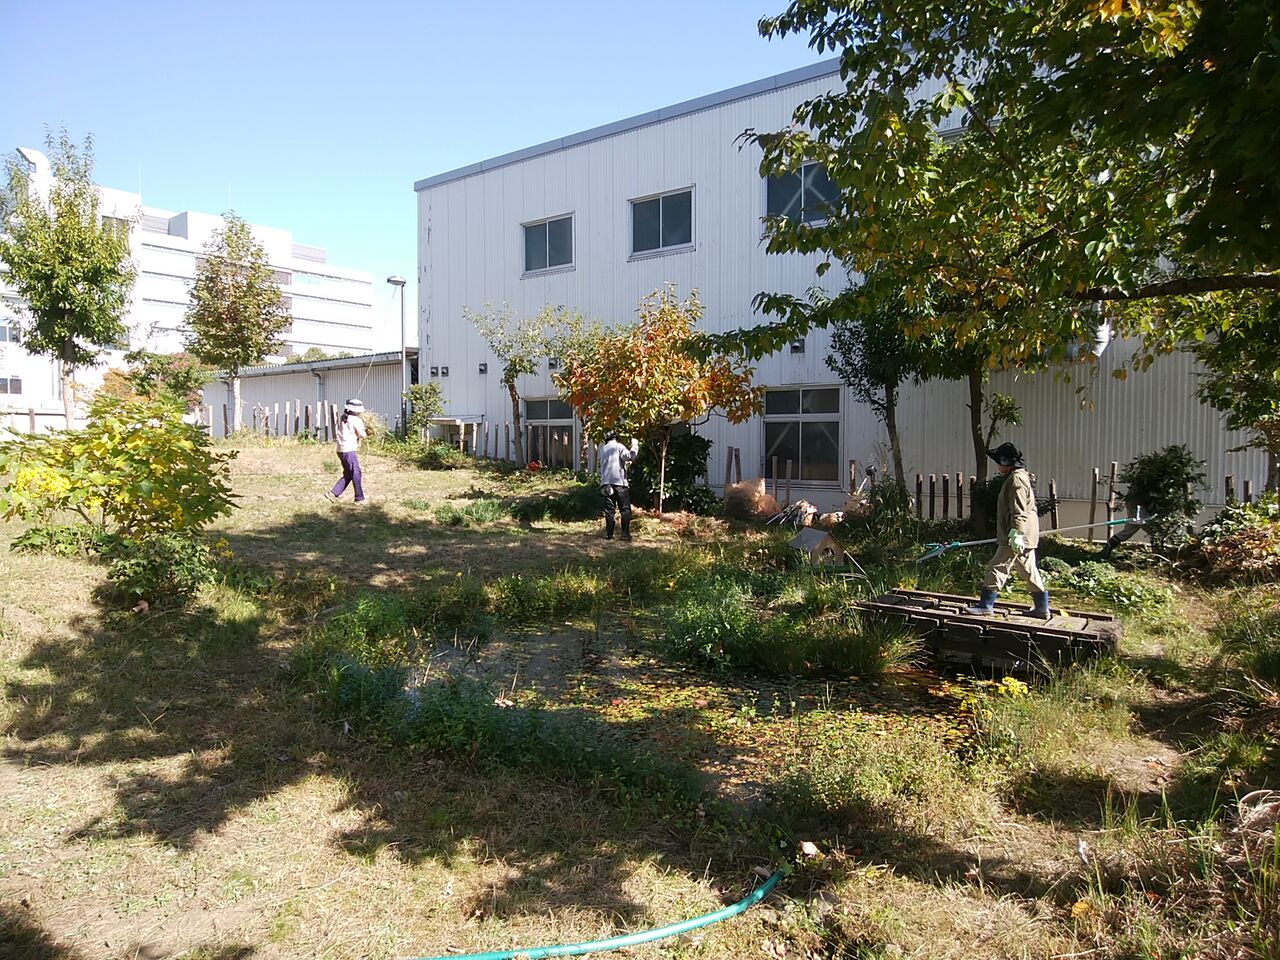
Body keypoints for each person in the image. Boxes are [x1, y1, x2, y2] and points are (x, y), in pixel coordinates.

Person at [964, 442, 1051, 619]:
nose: (997, 465)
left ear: (1006, 462)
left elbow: (1019, 510)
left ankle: (986, 605)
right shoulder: (1020, 476)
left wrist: (1016, 534)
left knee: (996, 567)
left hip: (1017, 534)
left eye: (999, 461)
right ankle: (1042, 608)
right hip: (1026, 534)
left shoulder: (1016, 479)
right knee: (1028, 570)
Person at [598, 432, 639, 540]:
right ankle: (625, 534)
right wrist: (635, 444)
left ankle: (609, 534)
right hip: (619, 483)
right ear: (616, 438)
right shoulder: (619, 446)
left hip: (606, 483)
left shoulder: (603, 449)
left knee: (609, 510)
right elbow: (630, 456)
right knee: (625, 509)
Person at [326, 398, 367, 503]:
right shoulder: (356, 420)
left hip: (341, 450)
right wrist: (366, 434)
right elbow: (362, 434)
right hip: (349, 450)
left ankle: (333, 493)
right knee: (356, 473)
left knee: (348, 474)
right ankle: (359, 498)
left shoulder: (344, 417)